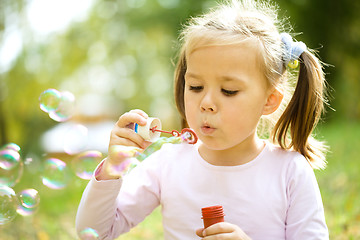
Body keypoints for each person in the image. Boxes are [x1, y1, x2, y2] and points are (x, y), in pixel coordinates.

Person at [76, 0, 329, 239]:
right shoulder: (168, 165)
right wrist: (112, 169)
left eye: (228, 91)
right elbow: (96, 232)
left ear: (269, 100)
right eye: (196, 86)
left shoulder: (289, 172)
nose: (206, 102)